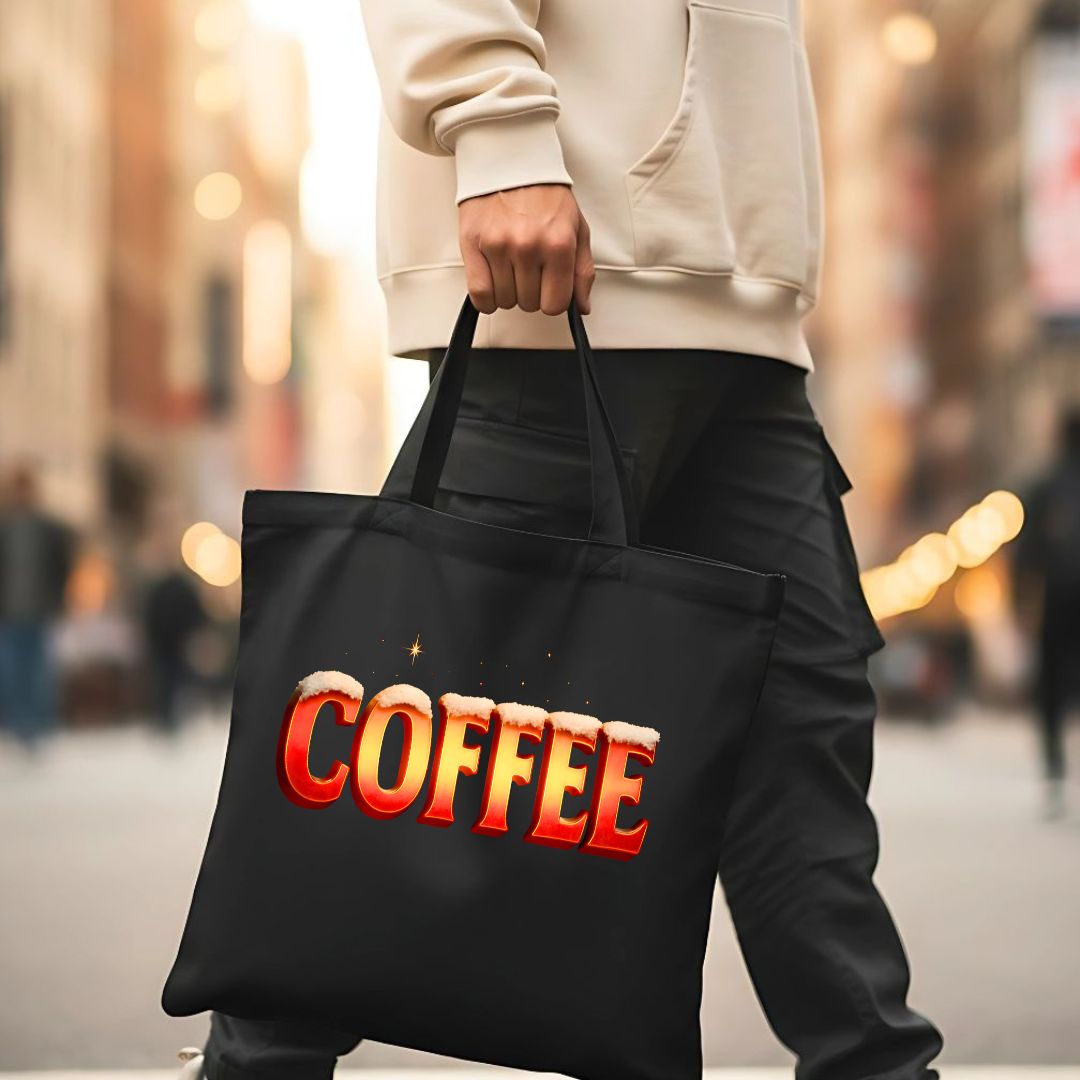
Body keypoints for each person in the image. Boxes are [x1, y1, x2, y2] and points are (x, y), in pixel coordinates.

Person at [185, 2, 944, 1076]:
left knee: (800, 729)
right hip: (567, 277)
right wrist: (499, 135)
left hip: (746, 311)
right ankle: (256, 1065)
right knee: (420, 720)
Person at [1013, 409, 1080, 821]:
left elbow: (1026, 554)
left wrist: (1021, 605)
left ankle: (1055, 772)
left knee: (1051, 689)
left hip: (1056, 601)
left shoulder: (1043, 486)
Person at [0, 464, 75, 748]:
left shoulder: (48, 527)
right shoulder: (5, 527)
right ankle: (18, 726)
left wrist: (59, 600)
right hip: (8, 612)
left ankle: (39, 727)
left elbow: (62, 565)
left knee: (39, 672)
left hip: (39, 610)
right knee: (11, 672)